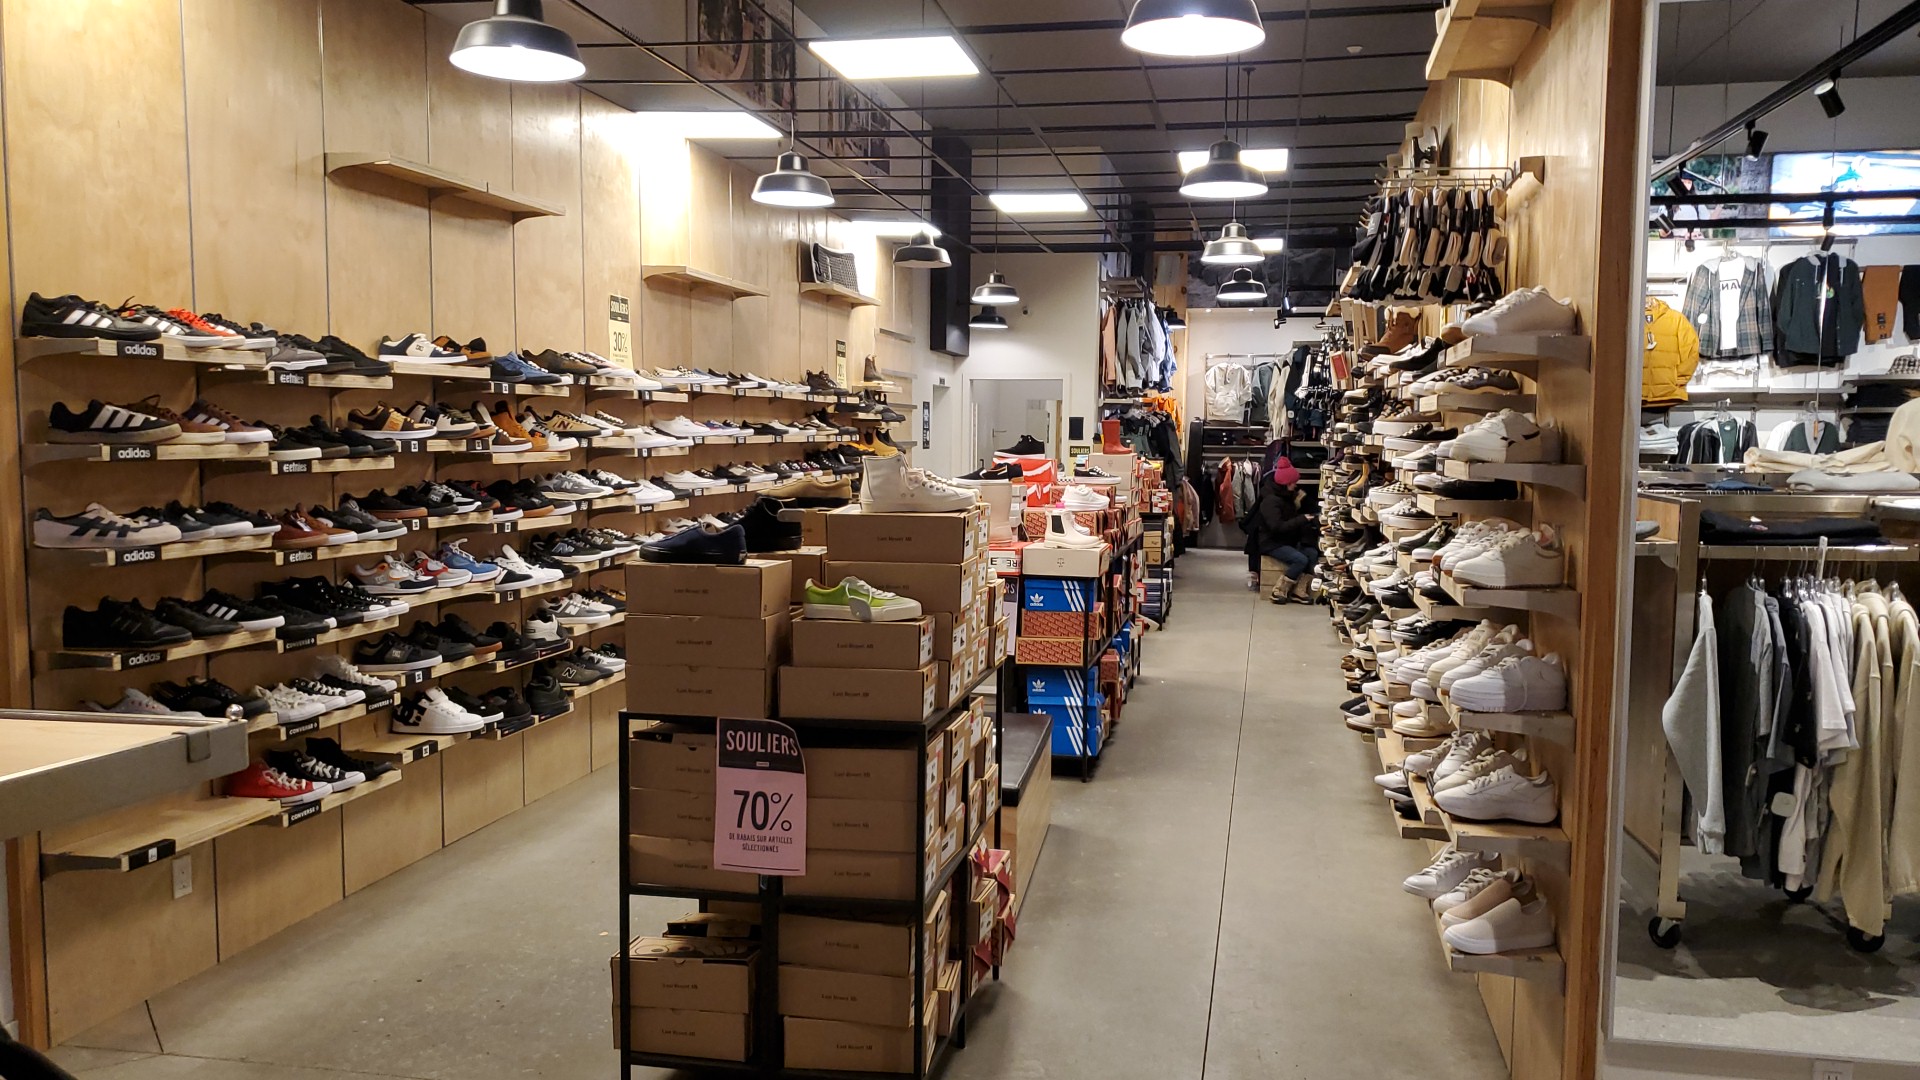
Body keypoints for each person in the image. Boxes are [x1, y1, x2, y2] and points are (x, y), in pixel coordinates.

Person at [1244, 457, 1318, 603]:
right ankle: (1279, 590)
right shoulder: (1271, 501)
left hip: (1285, 540)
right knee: (1300, 560)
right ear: (1286, 483)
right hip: (1271, 543)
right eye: (1293, 482)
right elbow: (1277, 527)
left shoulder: (1287, 497)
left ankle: (1299, 590)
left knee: (1312, 553)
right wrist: (1302, 519)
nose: (1295, 485)